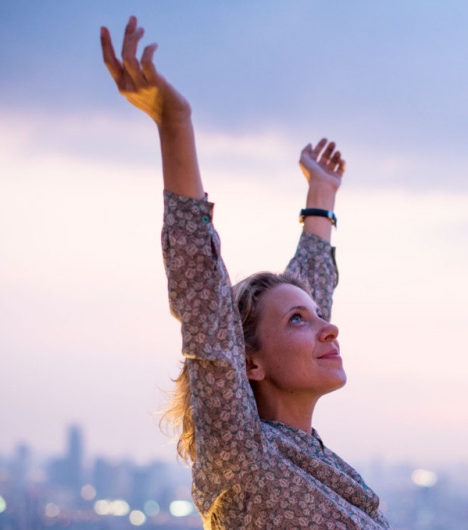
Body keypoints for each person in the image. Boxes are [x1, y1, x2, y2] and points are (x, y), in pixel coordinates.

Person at [100, 16, 389, 530]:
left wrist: (320, 199)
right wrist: (175, 122)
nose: (330, 327)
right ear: (247, 364)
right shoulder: (243, 460)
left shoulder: (306, 459)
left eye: (316, 317)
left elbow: (305, 291)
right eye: (299, 322)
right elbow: (205, 308)